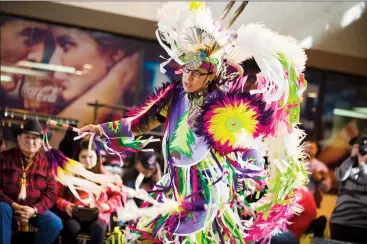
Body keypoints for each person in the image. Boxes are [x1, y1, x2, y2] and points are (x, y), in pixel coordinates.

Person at [79, 2, 308, 243]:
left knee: (179, 235)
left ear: (211, 75)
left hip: (207, 192)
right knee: (145, 236)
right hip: (175, 185)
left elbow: (247, 143)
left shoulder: (225, 103)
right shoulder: (175, 94)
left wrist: (254, 176)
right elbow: (139, 124)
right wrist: (100, 128)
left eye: (196, 72)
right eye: (186, 69)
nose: (189, 76)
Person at [0, 119, 63, 244]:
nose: (30, 141)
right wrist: (13, 205)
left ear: (41, 142)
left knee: (55, 223)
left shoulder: (47, 164)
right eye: (27, 137)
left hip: (34, 210)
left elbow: (51, 194)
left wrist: (34, 210)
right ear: (18, 139)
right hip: (8, 207)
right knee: (2, 209)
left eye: (35, 138)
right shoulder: (4, 158)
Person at [56, 140, 123, 244]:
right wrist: (65, 205)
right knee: (70, 228)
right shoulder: (69, 174)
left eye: (91, 156)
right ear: (77, 157)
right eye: (83, 157)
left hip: (98, 215)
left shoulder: (105, 176)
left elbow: (119, 196)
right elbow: (56, 196)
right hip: (74, 214)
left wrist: (108, 205)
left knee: (98, 229)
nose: (88, 160)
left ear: (97, 156)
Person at [329, 136, 367, 244]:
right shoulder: (348, 165)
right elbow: (340, 176)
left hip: (362, 224)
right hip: (340, 222)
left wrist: (362, 164)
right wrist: (352, 158)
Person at [304, 139, 332, 207]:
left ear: (316, 150)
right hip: (293, 200)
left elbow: (326, 188)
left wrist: (320, 179)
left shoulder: (321, 166)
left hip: (311, 201)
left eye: (311, 148)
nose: (308, 150)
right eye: (306, 147)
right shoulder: (293, 163)